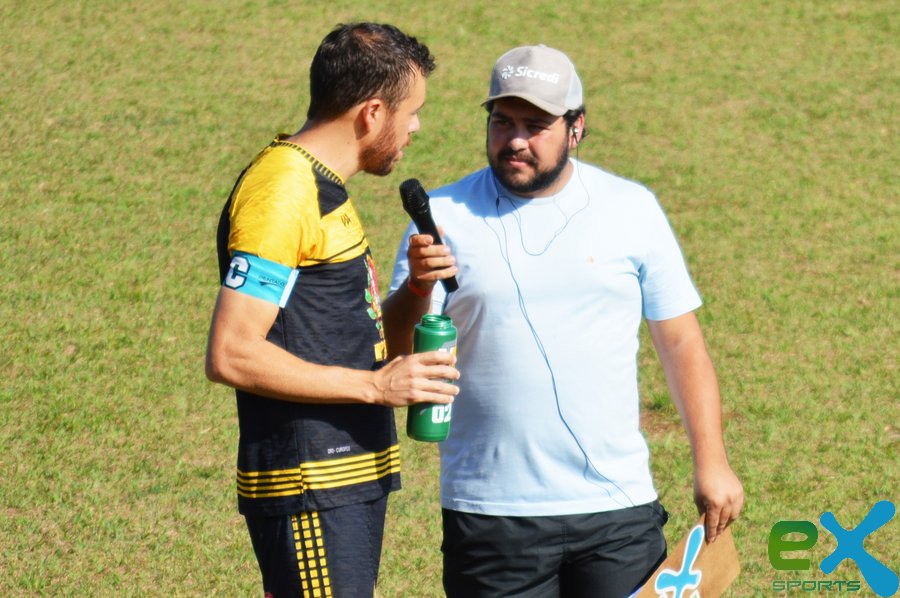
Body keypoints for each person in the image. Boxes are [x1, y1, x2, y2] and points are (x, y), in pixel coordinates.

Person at [384, 44, 744, 597]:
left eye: (536, 126)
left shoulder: (630, 209)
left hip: (617, 510)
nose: (516, 140)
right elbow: (393, 353)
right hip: (491, 513)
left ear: (576, 128)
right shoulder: (440, 217)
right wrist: (416, 287)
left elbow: (681, 345)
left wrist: (712, 462)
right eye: (502, 122)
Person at [205, 23, 459, 598]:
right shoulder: (283, 192)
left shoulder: (321, 188)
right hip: (310, 483)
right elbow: (231, 353)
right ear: (373, 113)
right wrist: (375, 388)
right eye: (412, 112)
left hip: (345, 479)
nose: (416, 127)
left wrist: (417, 290)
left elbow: (352, 339)